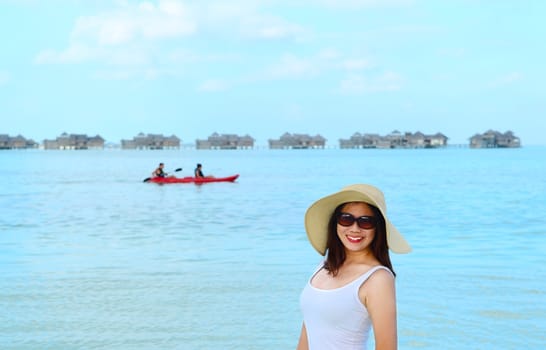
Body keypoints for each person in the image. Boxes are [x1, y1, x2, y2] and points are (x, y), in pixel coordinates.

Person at [297, 184, 412, 350]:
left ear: (377, 228)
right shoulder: (323, 267)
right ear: (336, 223)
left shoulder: (378, 279)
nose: (355, 229)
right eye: (346, 219)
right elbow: (308, 332)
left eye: (366, 222)